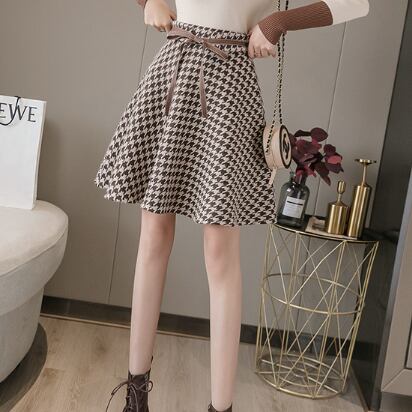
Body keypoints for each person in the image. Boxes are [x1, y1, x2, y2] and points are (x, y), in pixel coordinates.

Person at [95, 1, 370, 411]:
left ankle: (220, 408)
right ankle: (135, 400)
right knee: (152, 238)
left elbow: (357, 2)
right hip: (173, 70)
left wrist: (278, 22)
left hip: (228, 87)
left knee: (220, 253)